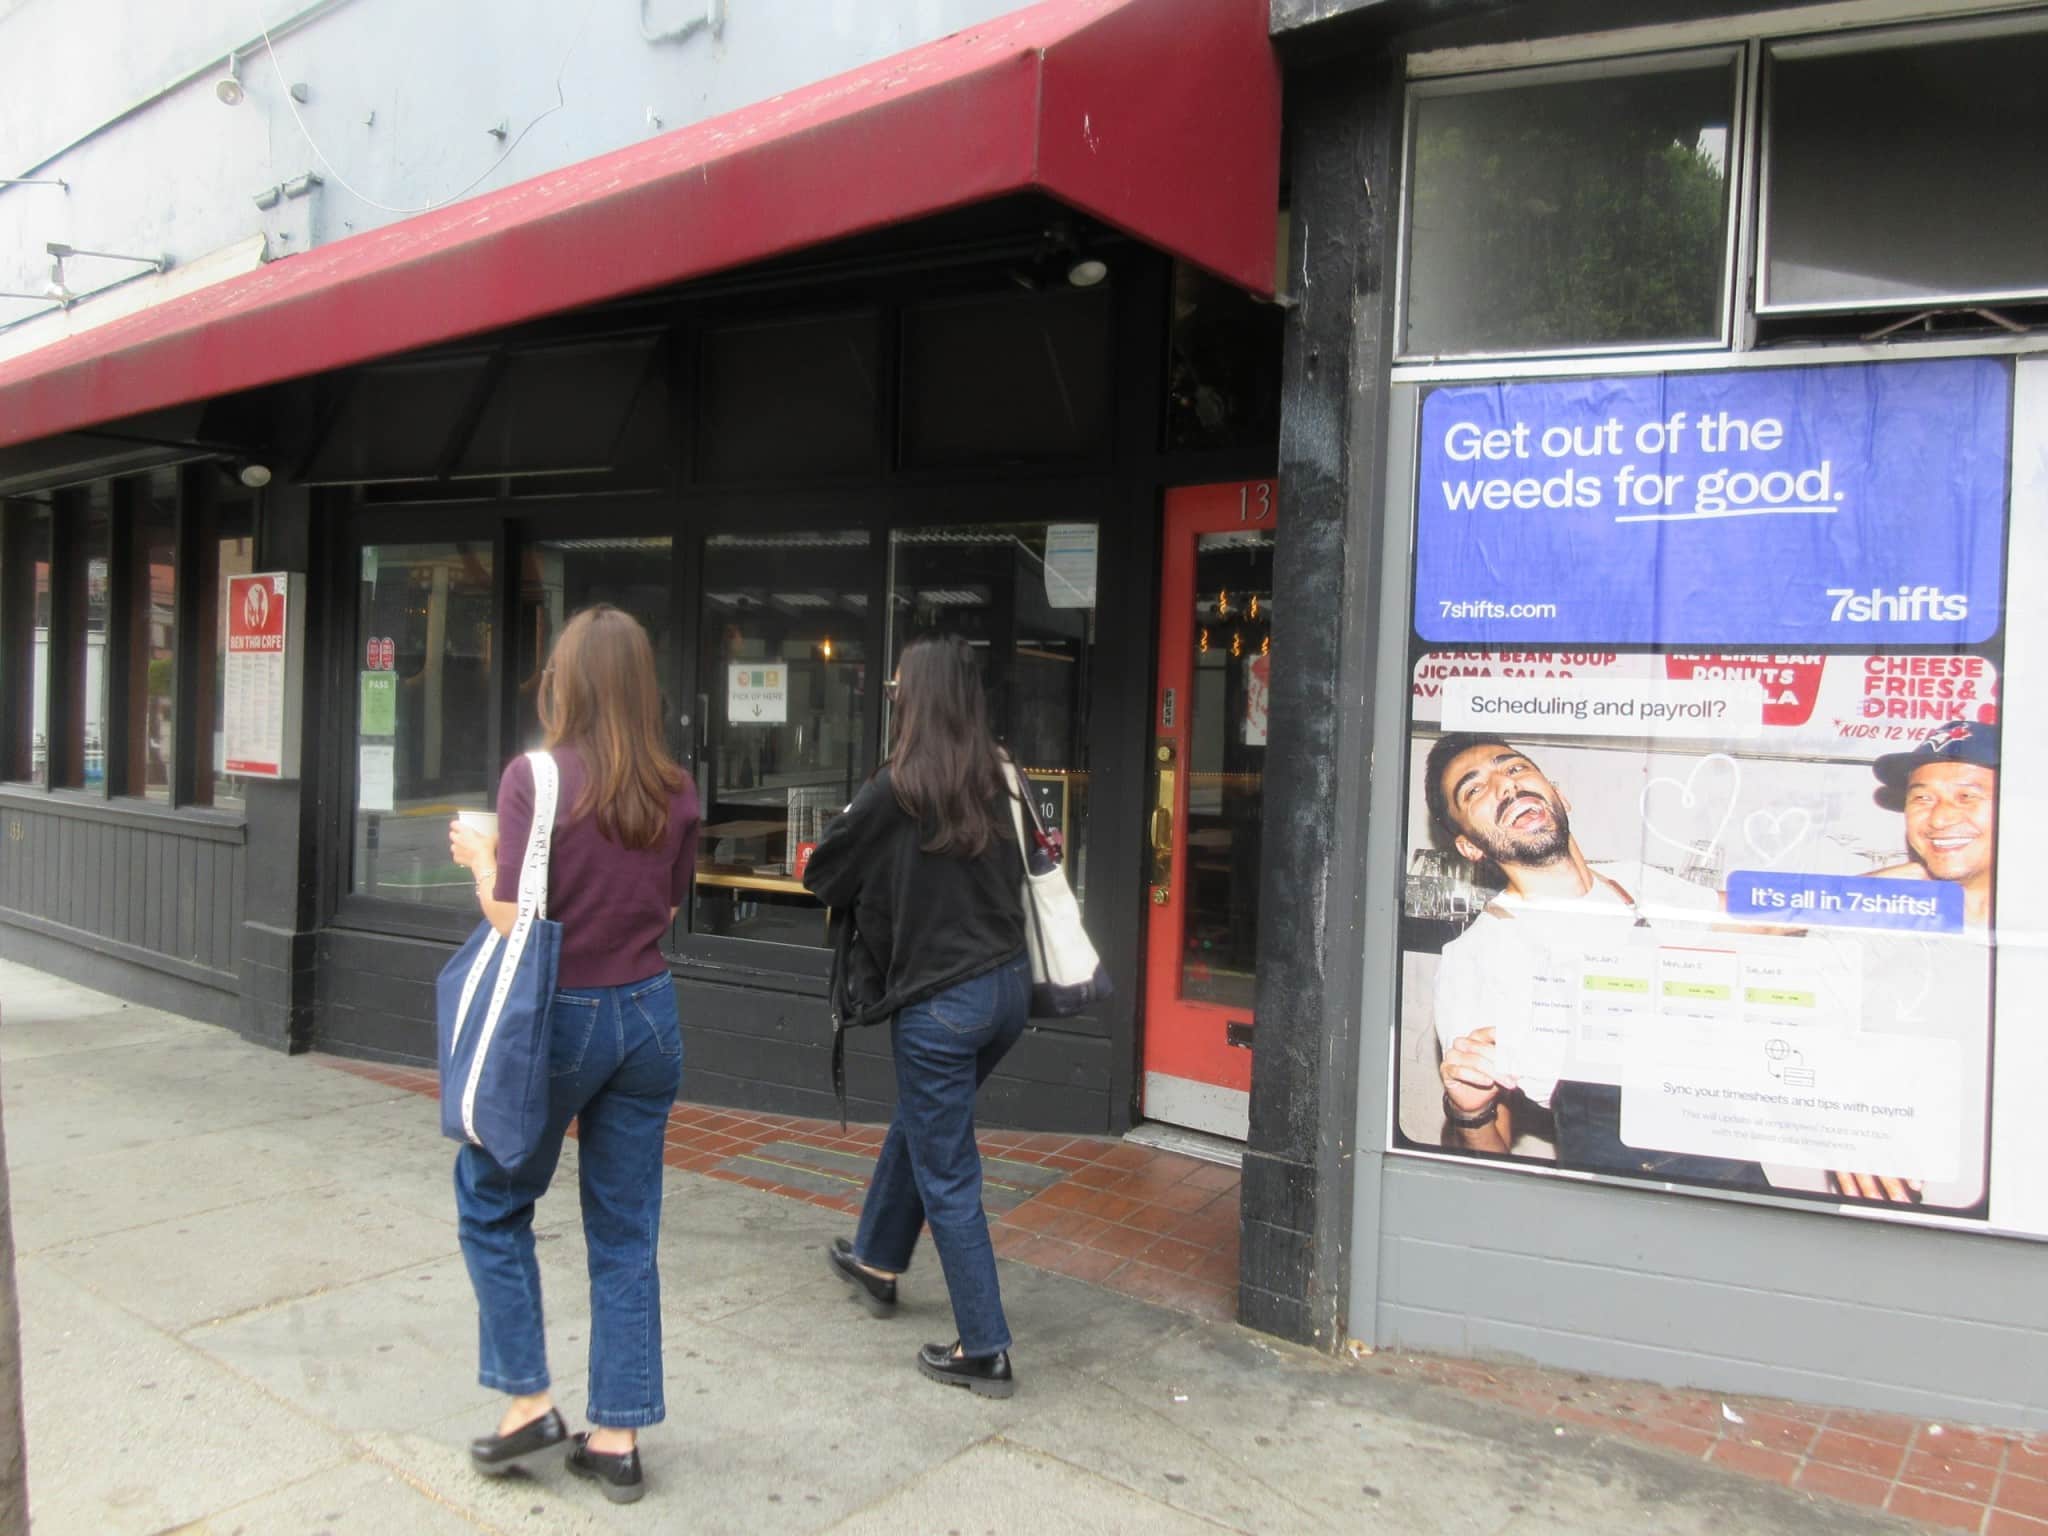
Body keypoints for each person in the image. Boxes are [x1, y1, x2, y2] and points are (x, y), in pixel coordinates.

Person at [444, 605, 700, 1503]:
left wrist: (481, 860)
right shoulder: (676, 787)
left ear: (568, 682)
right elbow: (662, 913)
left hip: (560, 1017)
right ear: (642, 687)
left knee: (491, 1197)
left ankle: (528, 1403)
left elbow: (517, 922)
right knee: (627, 1232)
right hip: (649, 1015)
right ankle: (617, 1438)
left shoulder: (533, 778)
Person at [801, 634, 1030, 1399]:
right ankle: (875, 1258)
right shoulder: (1000, 775)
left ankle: (984, 1347)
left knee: (948, 1169)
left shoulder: (897, 786)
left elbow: (822, 874)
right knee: (927, 1120)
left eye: (899, 687)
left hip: (941, 1006)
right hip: (1006, 993)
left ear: (915, 700)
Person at [1423, 732, 1767, 1188]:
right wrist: (1471, 1112)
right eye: (1475, 789)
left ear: (1558, 795)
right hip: (1613, 1204)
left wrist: (1886, 896)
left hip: (1736, 1180)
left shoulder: (1636, 883)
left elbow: (1767, 917)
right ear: (1469, 846)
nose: (1505, 786)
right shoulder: (1475, 959)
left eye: (1513, 768)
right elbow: (1489, 1171)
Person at [1824, 720, 1999, 1207]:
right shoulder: (1882, 923)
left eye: (1967, 796)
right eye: (1921, 798)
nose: (1940, 819)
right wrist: (1837, 1112)